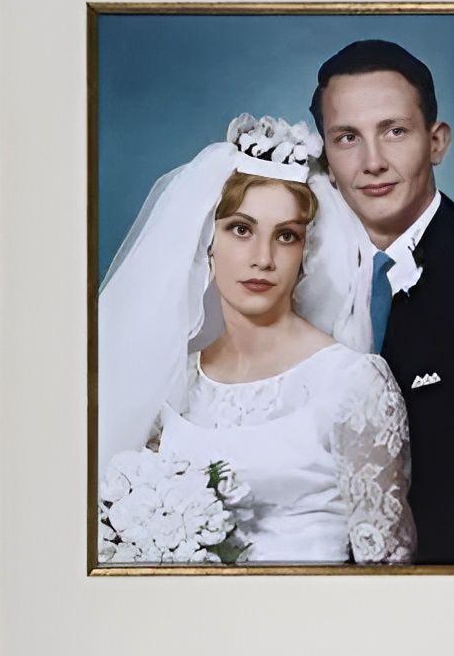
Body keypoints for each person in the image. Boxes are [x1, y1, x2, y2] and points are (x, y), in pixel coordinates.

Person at [98, 113, 416, 565]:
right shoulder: (175, 383)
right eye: (241, 230)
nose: (262, 259)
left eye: (286, 236)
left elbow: (387, 567)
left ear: (307, 253)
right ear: (208, 243)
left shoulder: (352, 383)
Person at [310, 40, 454, 565]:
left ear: (437, 141)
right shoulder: (289, 273)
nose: (372, 162)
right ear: (325, 153)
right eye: (347, 138)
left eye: (394, 131)